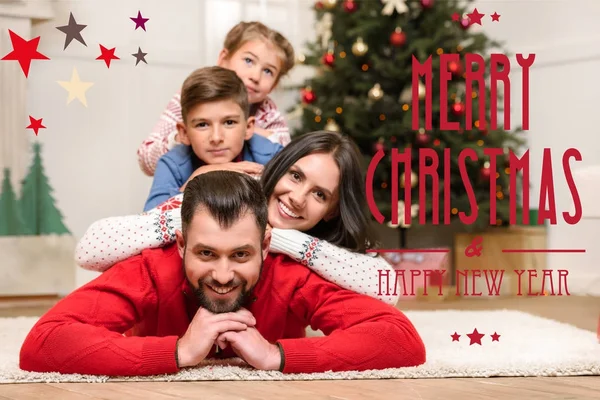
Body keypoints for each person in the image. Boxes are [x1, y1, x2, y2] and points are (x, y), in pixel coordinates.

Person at [20, 171, 426, 376]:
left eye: (241, 255)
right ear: (180, 245)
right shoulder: (151, 266)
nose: (223, 273)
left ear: (266, 247)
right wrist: (176, 351)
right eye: (206, 253)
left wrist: (277, 355)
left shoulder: (287, 273)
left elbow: (401, 340)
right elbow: (43, 342)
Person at [76, 131, 400, 305]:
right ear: (278, 166)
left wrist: (285, 240)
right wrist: (195, 218)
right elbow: (89, 250)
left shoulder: (324, 234)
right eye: (296, 176)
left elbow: (389, 289)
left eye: (320, 194)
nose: (297, 198)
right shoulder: (232, 188)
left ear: (332, 209)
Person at [137, 21, 295, 177]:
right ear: (223, 59)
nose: (255, 76)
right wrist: (186, 138)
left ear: (274, 85)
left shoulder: (267, 112)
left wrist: (247, 132)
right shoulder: (194, 97)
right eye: (248, 61)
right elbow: (146, 159)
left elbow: (287, 159)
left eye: (268, 71)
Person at [144, 66, 283, 211]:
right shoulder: (173, 164)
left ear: (248, 128)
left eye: (229, 122)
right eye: (202, 124)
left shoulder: (271, 156)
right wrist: (198, 177)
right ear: (184, 133)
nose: (216, 138)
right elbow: (149, 224)